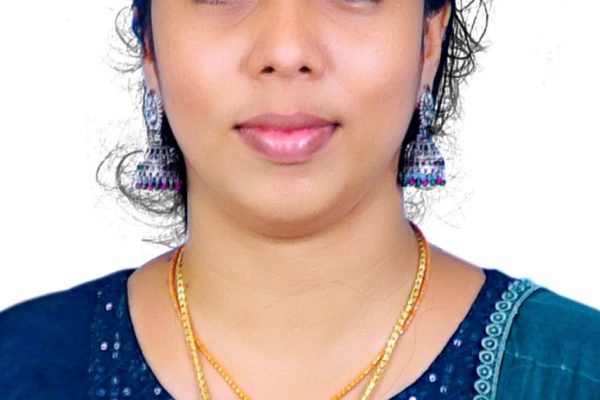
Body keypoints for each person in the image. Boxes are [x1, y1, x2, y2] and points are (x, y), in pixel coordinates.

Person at [1, 0, 599, 399]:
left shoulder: (574, 371)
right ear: (150, 44)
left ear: (428, 39)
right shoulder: (19, 366)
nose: (286, 52)